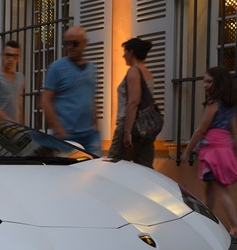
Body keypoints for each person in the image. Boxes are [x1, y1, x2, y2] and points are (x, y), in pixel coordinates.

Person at [183, 66, 237, 243]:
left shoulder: (214, 104)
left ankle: (236, 229)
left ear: (218, 83)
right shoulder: (229, 105)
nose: (205, 85)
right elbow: (235, 133)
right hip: (224, 150)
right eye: (204, 81)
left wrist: (188, 150)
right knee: (209, 188)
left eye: (209, 81)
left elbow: (201, 129)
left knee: (221, 190)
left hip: (213, 151)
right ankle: (206, 224)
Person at [42, 26, 100, 155]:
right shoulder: (57, 68)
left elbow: (91, 99)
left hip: (90, 135)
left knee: (95, 171)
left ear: (85, 43)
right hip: (67, 136)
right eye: (66, 43)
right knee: (66, 174)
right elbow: (46, 101)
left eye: (74, 43)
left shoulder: (92, 69)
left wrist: (96, 126)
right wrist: (60, 131)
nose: (70, 47)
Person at [106, 37, 156, 168]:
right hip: (146, 127)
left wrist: (127, 132)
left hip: (130, 125)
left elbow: (133, 102)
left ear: (131, 52)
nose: (123, 56)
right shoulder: (147, 73)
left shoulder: (133, 71)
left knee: (113, 166)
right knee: (145, 169)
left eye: (125, 51)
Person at [0, 40, 25, 123]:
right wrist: (8, 121)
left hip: (15, 127)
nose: (11, 59)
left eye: (14, 56)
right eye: (8, 55)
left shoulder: (20, 77)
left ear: (18, 58)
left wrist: (22, 122)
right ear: (2, 56)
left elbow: (19, 102)